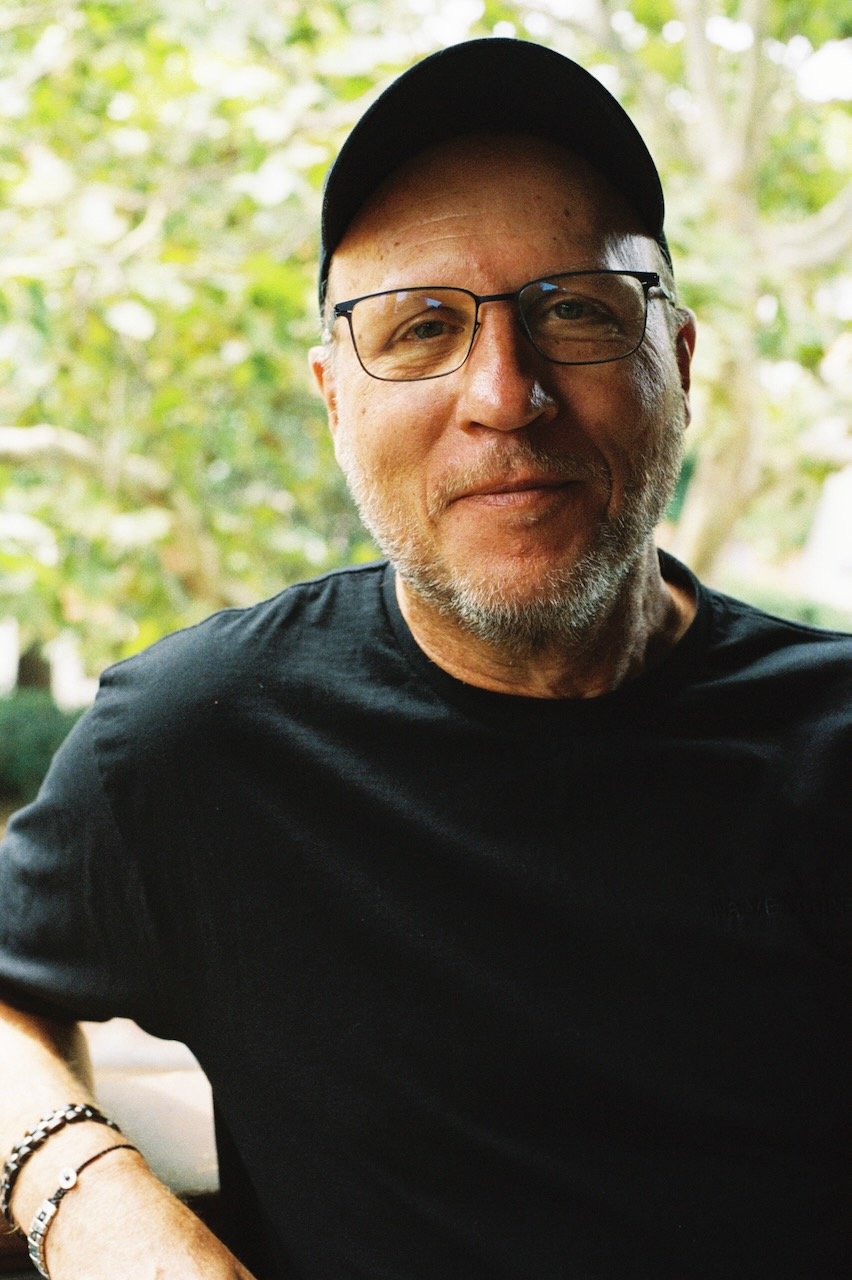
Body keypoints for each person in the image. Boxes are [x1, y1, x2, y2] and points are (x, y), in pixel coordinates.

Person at [0, 36, 849, 1280]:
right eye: (419, 328)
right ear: (334, 395)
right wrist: (90, 1200)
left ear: (676, 360)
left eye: (574, 310)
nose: (507, 395)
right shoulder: (203, 739)